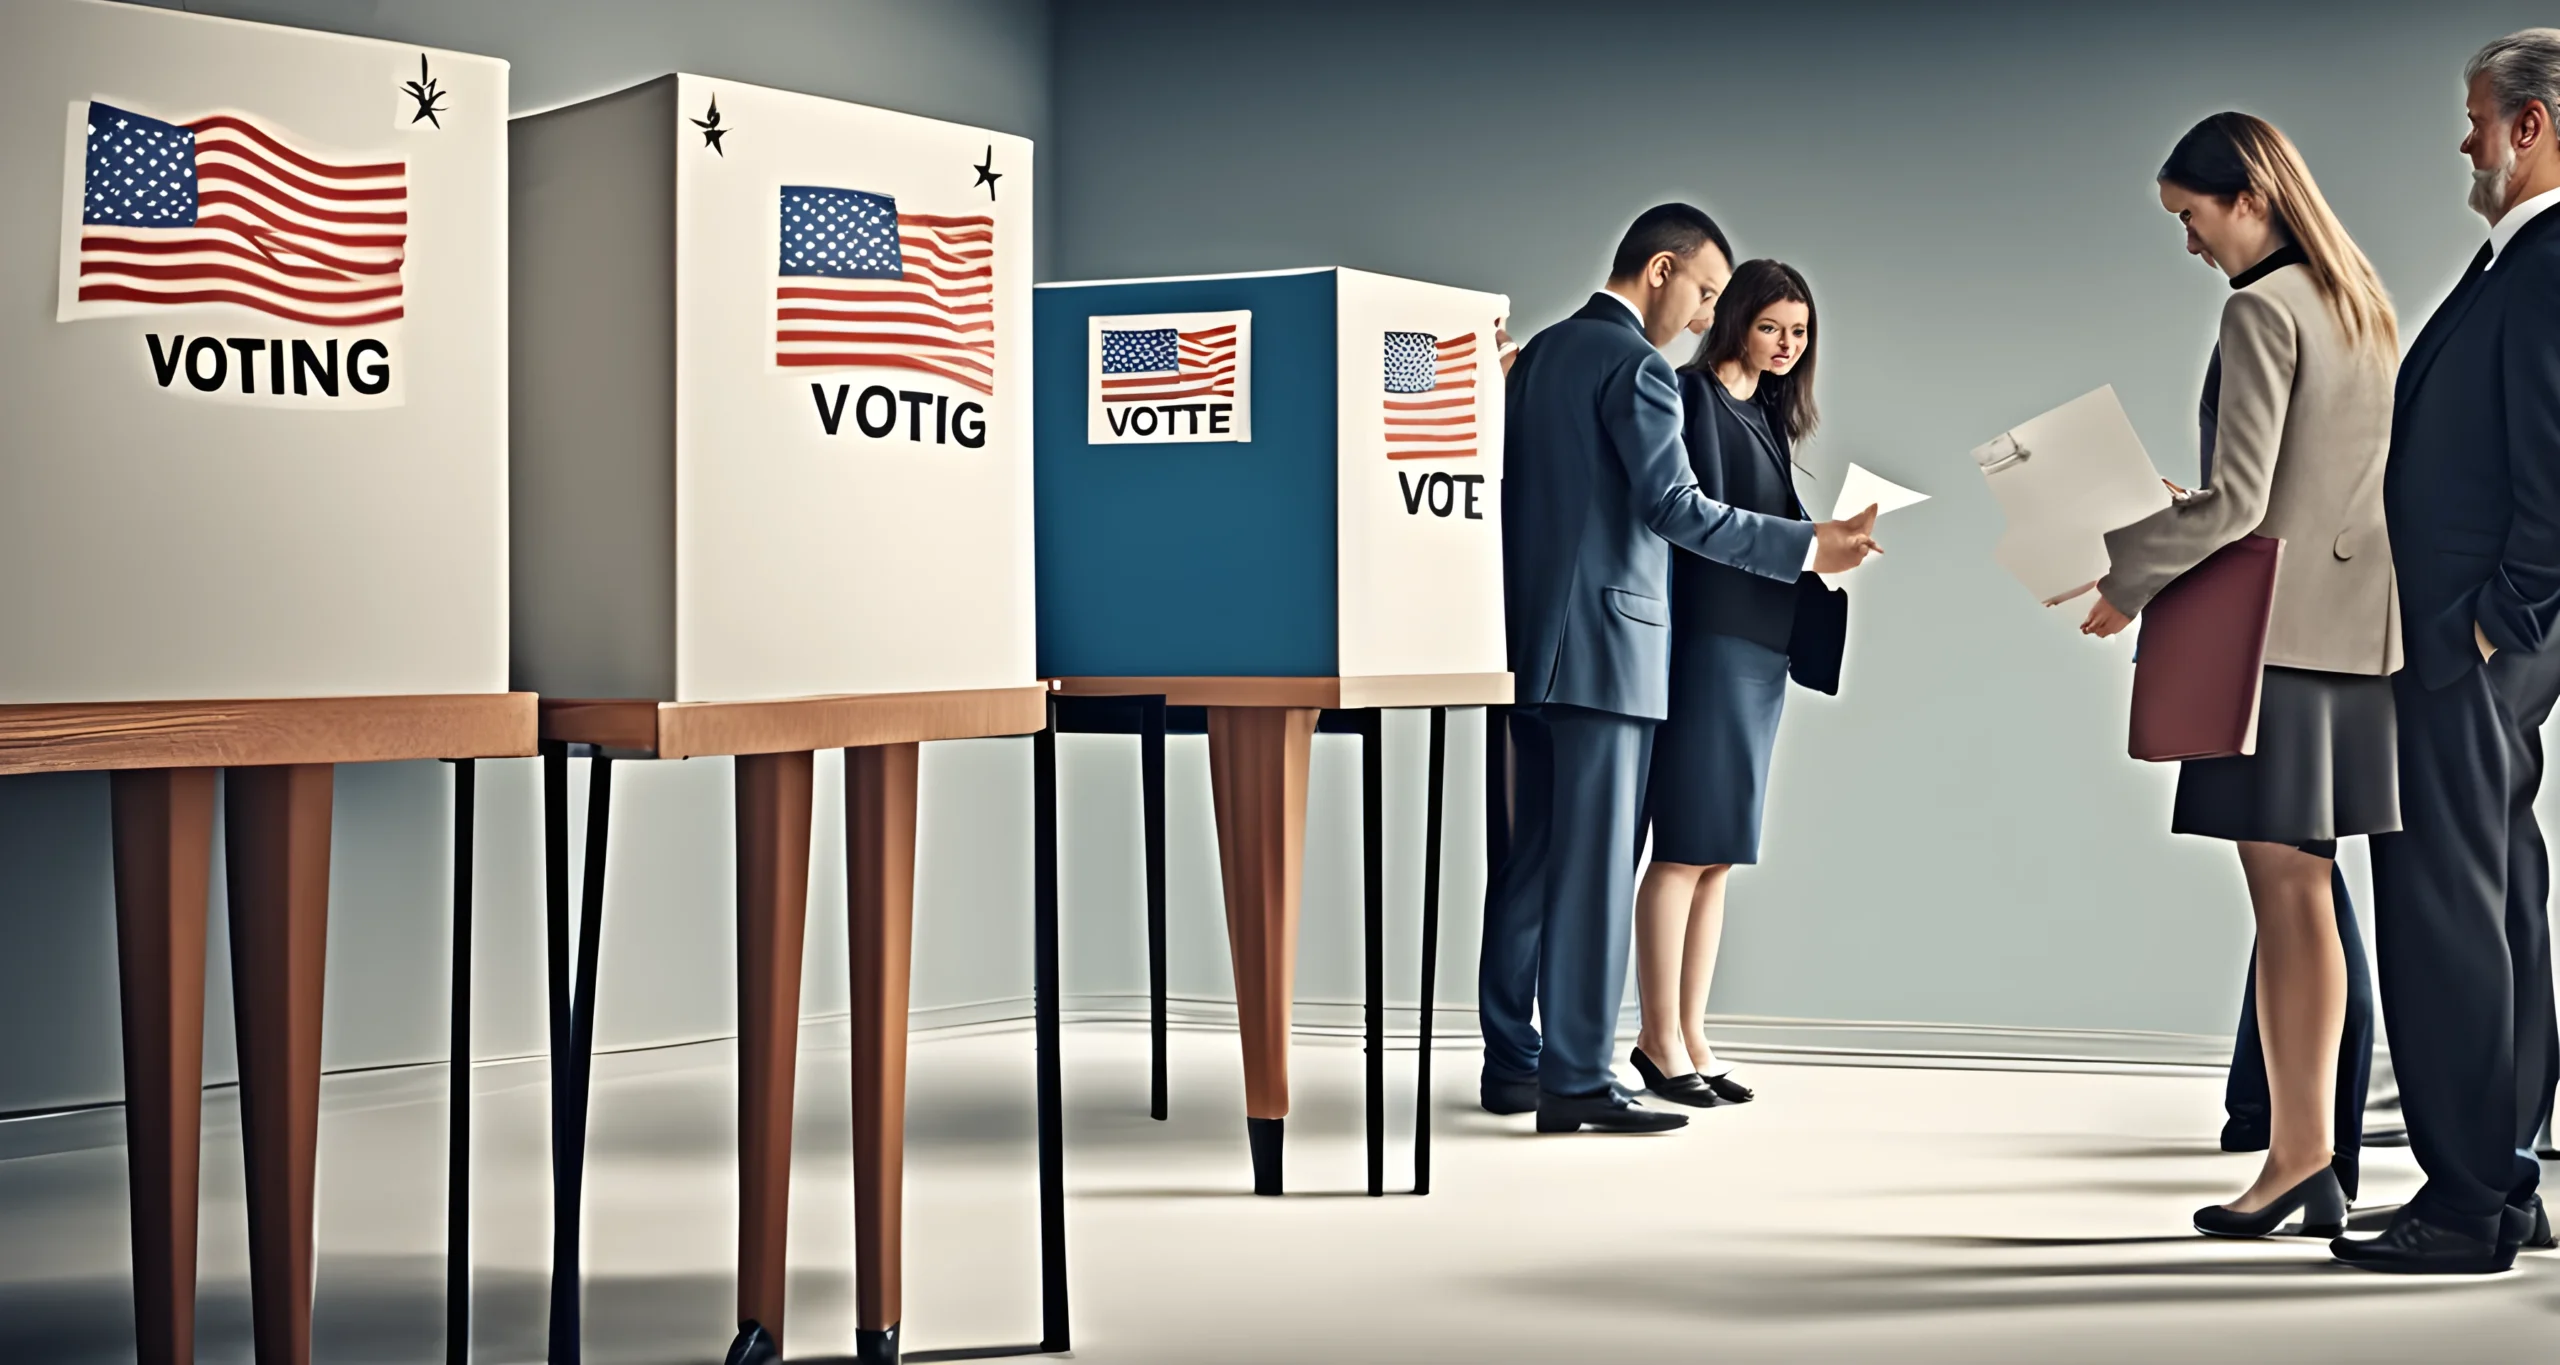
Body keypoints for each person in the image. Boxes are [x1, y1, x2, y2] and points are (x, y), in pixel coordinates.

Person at [1479, 204, 1879, 1134]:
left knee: (1528, 860)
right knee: (1596, 866)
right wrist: (1807, 546)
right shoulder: (1640, 372)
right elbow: (1676, 507)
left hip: (1522, 646)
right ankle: (1578, 1077)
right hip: (1612, 647)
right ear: (1660, 269)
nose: (1706, 314)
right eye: (1704, 290)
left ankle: (1513, 1060)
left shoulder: (1534, 359)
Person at [2079, 112, 2401, 1240]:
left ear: (2249, 197)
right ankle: (2306, 1155)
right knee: (2305, 895)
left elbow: (2245, 501)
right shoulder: (2358, 301)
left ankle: (2297, 1158)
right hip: (2355, 641)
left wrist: (2127, 573)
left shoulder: (2260, 310)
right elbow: (2322, 490)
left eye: (2190, 217)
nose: (2189, 244)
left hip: (2273, 648)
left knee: (2288, 900)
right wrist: (2196, 514)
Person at [2332, 29, 2560, 1274]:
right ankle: (2505, 1183)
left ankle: (2467, 1200)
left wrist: (2490, 622)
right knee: (2500, 897)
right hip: (2477, 648)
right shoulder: (2516, 262)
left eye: (2476, 117)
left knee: (2441, 914)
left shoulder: (2544, 264)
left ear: (2528, 127)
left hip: (2466, 648)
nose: (2462, 138)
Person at [1628, 260, 1829, 1108]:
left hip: (1760, 646)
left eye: (1800, 331)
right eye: (1771, 326)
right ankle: (1655, 1038)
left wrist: (1827, 542)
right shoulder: (1689, 395)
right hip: (1708, 644)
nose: (1787, 345)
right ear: (1737, 320)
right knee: (1682, 846)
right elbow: (1690, 519)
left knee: (1718, 855)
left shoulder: (1768, 413)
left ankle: (1692, 1032)